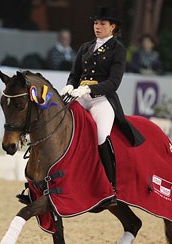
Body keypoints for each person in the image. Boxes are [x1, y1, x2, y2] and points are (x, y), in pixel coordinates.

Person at [60, 6, 145, 194]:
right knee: (59, 121)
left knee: (101, 135)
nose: (97, 26)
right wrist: (70, 85)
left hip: (101, 98)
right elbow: (75, 74)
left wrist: (89, 88)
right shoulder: (86, 47)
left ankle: (111, 183)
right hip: (80, 96)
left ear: (112, 27)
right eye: (96, 23)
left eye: (102, 24)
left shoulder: (118, 49)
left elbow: (114, 82)